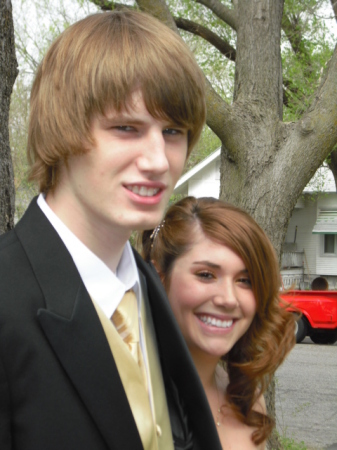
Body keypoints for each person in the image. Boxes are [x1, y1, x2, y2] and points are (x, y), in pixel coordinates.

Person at [0, 11, 222, 450]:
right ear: (61, 128)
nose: (159, 160)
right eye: (126, 128)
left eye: (173, 131)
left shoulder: (145, 286)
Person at [142, 196, 296, 449]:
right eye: (206, 275)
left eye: (245, 280)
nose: (228, 299)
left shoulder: (248, 399)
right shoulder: (129, 397)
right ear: (160, 279)